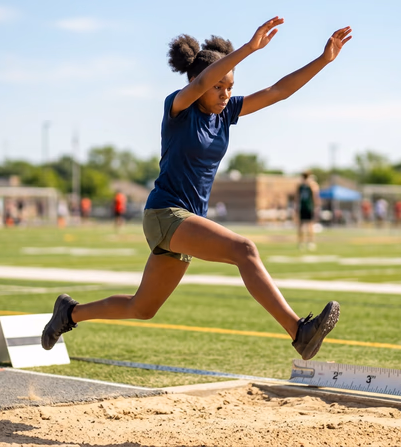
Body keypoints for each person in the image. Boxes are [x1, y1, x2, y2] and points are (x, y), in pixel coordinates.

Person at [42, 18, 351, 360]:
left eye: (230, 87)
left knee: (142, 307)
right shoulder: (178, 108)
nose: (225, 94)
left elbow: (278, 91)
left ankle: (68, 313)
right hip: (165, 213)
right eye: (218, 86)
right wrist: (249, 48)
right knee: (244, 249)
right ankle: (299, 331)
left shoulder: (226, 113)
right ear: (196, 84)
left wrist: (324, 60)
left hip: (187, 219)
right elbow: (204, 78)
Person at [296, 170, 320, 250]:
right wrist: (316, 206)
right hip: (309, 207)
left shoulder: (300, 185)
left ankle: (301, 243)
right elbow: (315, 195)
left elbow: (297, 197)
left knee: (301, 226)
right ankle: (310, 242)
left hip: (302, 207)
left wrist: (296, 207)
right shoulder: (311, 185)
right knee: (310, 225)